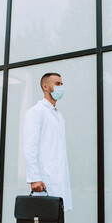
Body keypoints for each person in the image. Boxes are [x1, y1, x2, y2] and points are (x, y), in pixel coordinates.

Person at [23, 72, 72, 211]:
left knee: (57, 220)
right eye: (57, 84)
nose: (61, 87)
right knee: (43, 221)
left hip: (58, 178)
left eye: (62, 84)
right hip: (43, 180)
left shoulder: (58, 116)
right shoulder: (36, 112)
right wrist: (34, 178)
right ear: (45, 86)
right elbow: (29, 147)